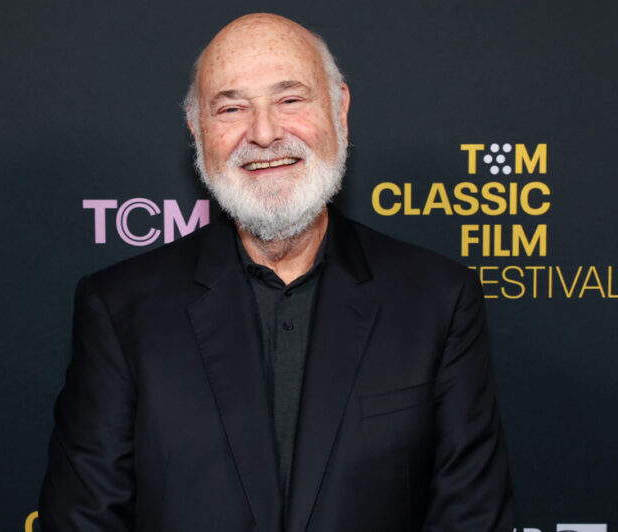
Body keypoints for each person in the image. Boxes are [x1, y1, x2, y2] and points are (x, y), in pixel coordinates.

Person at [40, 13, 514, 532]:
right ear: (199, 131)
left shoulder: (439, 299)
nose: (264, 133)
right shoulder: (119, 307)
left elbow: (470, 517)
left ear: (340, 111)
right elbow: (83, 521)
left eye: (290, 99)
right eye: (231, 107)